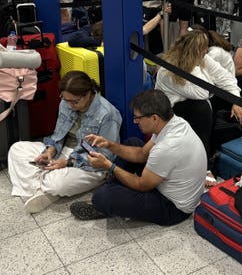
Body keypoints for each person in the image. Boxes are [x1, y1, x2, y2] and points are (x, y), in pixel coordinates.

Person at [69, 89, 206, 225]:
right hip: (167, 184)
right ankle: (115, 190)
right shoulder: (174, 123)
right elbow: (141, 154)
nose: (135, 122)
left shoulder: (167, 147)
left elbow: (142, 185)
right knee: (132, 143)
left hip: (173, 207)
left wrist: (109, 166)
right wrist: (109, 144)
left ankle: (107, 200)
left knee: (102, 198)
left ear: (154, 118)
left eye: (138, 118)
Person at [7, 71, 122, 214]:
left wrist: (67, 163)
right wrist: (49, 151)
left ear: (88, 94)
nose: (70, 105)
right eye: (65, 99)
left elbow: (105, 157)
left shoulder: (107, 115)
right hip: (64, 152)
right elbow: (58, 135)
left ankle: (43, 185)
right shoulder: (66, 103)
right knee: (16, 149)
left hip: (90, 163)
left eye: (74, 101)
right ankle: (42, 189)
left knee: (57, 184)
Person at [155, 30, 242, 162]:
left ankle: (224, 148)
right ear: (194, 52)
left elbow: (226, 78)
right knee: (201, 107)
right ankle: (203, 161)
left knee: (228, 99)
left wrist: (237, 101)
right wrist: (196, 66)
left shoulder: (203, 59)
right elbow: (202, 93)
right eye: (203, 49)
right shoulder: (168, 70)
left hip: (194, 100)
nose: (206, 52)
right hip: (173, 110)